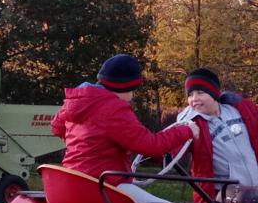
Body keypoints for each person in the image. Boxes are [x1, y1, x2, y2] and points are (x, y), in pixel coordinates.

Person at [50, 54, 198, 191]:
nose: (132, 96)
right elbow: (151, 145)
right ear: (125, 87)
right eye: (133, 90)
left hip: (73, 183)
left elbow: (57, 127)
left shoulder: (78, 102)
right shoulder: (114, 109)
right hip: (104, 186)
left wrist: (90, 144)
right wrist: (187, 130)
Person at [173, 68, 258, 193]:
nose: (194, 99)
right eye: (190, 95)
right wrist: (169, 140)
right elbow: (172, 151)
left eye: (200, 92)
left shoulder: (243, 107)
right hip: (222, 198)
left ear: (214, 93)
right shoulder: (190, 124)